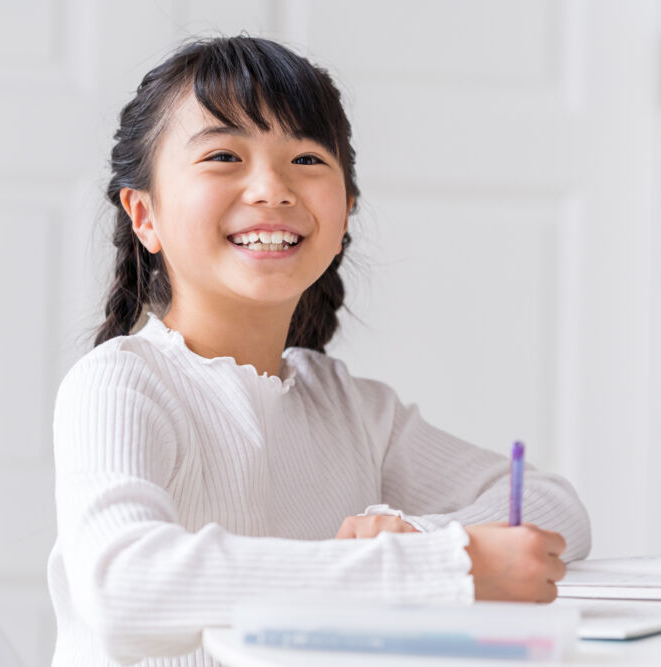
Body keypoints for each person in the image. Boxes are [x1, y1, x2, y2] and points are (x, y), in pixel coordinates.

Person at [46, 35, 592, 667]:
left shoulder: (351, 408)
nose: (272, 189)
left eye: (306, 160)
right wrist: (435, 567)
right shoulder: (120, 383)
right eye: (224, 155)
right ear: (145, 215)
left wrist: (425, 535)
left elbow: (554, 504)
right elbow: (122, 586)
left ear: (345, 213)